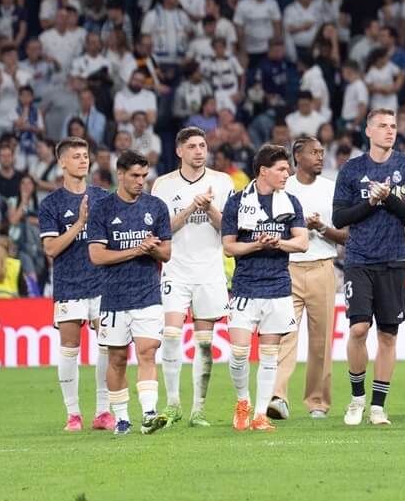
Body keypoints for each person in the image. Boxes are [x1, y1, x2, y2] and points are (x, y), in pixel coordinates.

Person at [333, 108, 405, 426]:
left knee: (388, 335)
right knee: (359, 328)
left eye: (393, 126)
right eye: (382, 126)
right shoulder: (351, 169)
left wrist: (388, 199)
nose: (390, 131)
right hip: (358, 259)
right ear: (368, 131)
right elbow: (339, 218)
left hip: (394, 258)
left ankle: (377, 406)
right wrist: (370, 202)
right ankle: (356, 399)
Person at [84, 150, 173, 436]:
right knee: (118, 359)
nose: (140, 181)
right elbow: (97, 256)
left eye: (144, 176)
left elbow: (166, 253)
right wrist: (137, 249)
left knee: (147, 352)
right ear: (119, 174)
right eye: (134, 175)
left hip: (147, 295)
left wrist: (153, 249)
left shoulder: (156, 207)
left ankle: (149, 414)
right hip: (113, 297)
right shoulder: (102, 209)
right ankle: (122, 418)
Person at [150, 125, 233, 427]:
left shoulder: (221, 182)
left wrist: (209, 207)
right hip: (176, 267)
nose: (199, 151)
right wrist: (189, 209)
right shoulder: (163, 185)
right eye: (193, 147)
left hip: (209, 269)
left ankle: (198, 409)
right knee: (171, 335)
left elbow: (228, 228)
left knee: (204, 342)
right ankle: (173, 403)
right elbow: (161, 231)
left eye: (202, 146)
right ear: (179, 151)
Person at [221, 144, 307, 432]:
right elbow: (229, 247)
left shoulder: (291, 201)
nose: (287, 173)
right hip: (245, 287)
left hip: (278, 287)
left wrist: (278, 243)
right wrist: (257, 244)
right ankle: (242, 402)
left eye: (287, 168)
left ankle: (259, 415)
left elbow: (302, 242)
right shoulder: (236, 202)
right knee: (239, 353)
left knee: (269, 355)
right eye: (282, 169)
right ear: (263, 171)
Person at [37, 136, 109, 430]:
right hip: (69, 285)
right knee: (69, 347)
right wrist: (80, 223)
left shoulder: (104, 198)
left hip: (103, 284)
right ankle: (73, 414)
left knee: (108, 346)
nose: (83, 160)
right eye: (76, 156)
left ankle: (103, 411)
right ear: (62, 162)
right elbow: (51, 249)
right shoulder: (51, 203)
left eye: (85, 155)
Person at [271, 135, 345, 419]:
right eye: (314, 152)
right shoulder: (281, 187)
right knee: (284, 334)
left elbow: (345, 236)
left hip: (322, 266)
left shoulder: (331, 188)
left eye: (322, 152)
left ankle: (318, 403)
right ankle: (278, 396)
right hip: (286, 267)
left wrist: (321, 227)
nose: (320, 157)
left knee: (321, 340)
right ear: (297, 156)